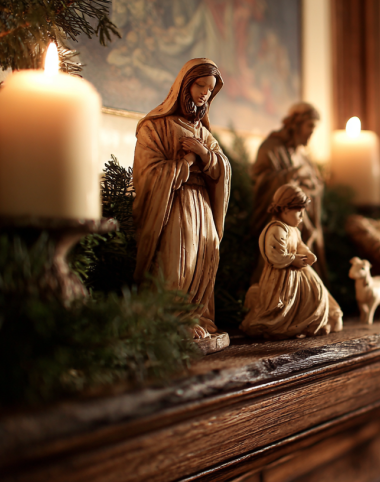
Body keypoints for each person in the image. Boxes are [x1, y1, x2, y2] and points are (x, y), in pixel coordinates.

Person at [132, 58, 231, 339]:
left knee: (205, 255)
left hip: (202, 204)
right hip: (175, 204)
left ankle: (196, 315)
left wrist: (204, 154)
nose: (204, 93)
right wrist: (183, 164)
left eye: (210, 90)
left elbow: (222, 168)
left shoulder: (204, 133)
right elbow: (148, 172)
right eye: (200, 85)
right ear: (184, 85)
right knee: (179, 259)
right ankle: (171, 317)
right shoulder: (155, 127)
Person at [240, 184, 343, 339]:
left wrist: (307, 254)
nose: (302, 217)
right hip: (282, 278)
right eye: (299, 212)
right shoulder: (276, 229)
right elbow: (274, 255)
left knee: (317, 292)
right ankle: (287, 325)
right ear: (286, 209)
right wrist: (293, 259)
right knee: (285, 304)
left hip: (299, 273)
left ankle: (313, 322)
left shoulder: (294, 230)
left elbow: (300, 245)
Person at [250, 102, 327, 282]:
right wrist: (292, 176)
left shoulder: (302, 155)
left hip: (305, 223)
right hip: (282, 225)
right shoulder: (271, 148)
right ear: (296, 124)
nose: (311, 132)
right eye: (310, 126)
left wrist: (311, 184)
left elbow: (317, 183)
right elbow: (261, 181)